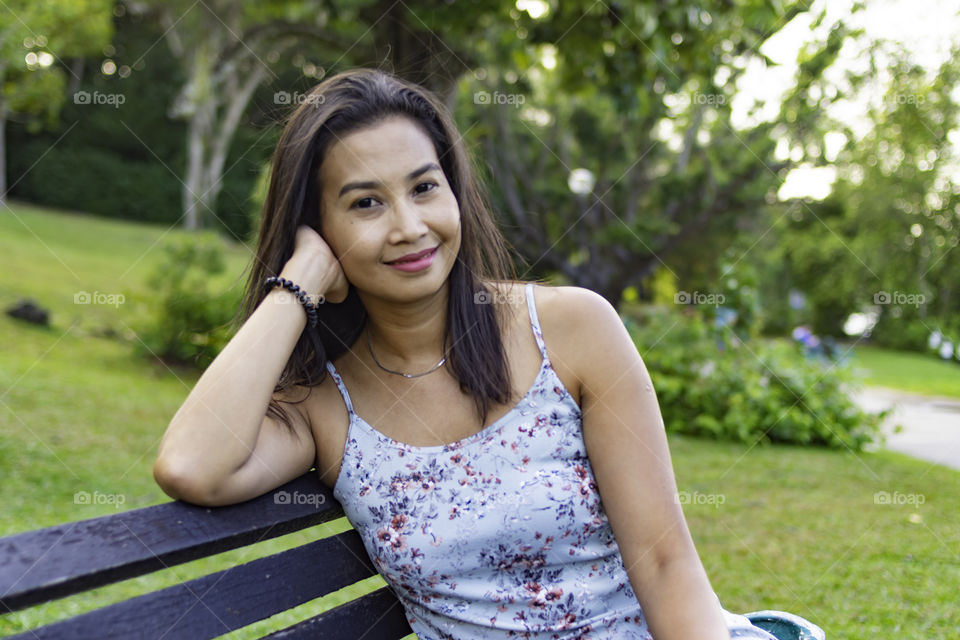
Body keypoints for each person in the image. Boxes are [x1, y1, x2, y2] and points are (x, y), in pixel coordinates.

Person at [153, 68, 792, 640]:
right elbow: (190, 465)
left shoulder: (571, 330)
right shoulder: (327, 404)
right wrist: (298, 284)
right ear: (316, 227)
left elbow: (664, 561)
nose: (409, 226)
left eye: (424, 187)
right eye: (365, 203)